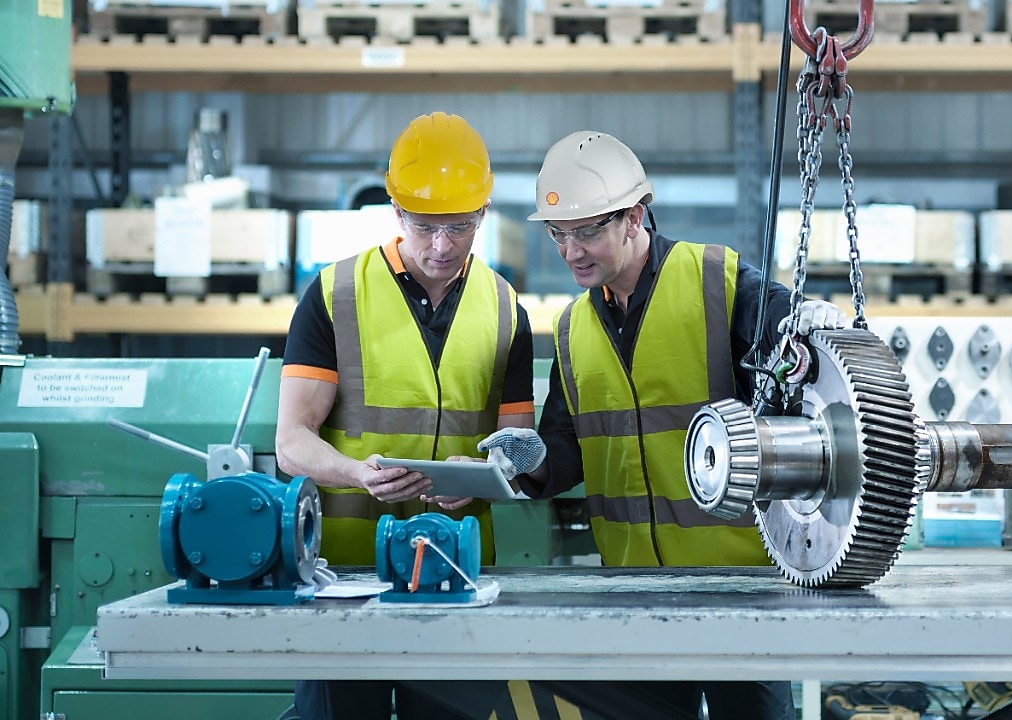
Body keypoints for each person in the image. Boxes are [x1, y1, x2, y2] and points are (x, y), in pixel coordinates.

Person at [477, 130, 848, 720]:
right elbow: (568, 448)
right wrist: (533, 460)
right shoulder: (572, 328)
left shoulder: (716, 281)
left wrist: (811, 328)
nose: (571, 251)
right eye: (559, 234)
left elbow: (790, 340)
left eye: (587, 231)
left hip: (738, 589)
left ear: (634, 217)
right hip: (633, 594)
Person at [276, 112, 535, 720]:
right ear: (396, 211)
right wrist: (356, 473)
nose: (441, 245)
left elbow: (519, 447)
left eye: (458, 226)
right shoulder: (336, 294)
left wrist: (482, 475)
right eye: (424, 225)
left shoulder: (505, 309)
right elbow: (291, 442)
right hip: (343, 581)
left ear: (483, 213)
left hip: (457, 577)